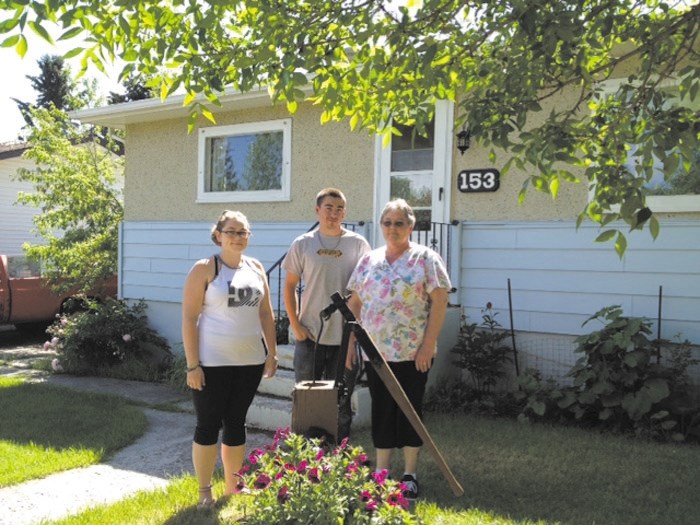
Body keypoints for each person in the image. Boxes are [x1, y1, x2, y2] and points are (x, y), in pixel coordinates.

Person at [345, 198, 451, 501]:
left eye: (399, 223)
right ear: (381, 226)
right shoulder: (369, 260)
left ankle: (409, 474)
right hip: (376, 354)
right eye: (388, 223)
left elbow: (440, 302)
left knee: (410, 411)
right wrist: (352, 342)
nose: (393, 228)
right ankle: (381, 473)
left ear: (411, 226)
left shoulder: (425, 259)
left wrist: (428, 344)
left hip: (412, 353)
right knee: (382, 409)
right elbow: (355, 303)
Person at [182, 210, 278, 507]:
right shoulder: (205, 268)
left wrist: (271, 353)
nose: (238, 237)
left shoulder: (256, 267)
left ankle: (234, 486)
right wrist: (192, 365)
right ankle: (204, 491)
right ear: (219, 235)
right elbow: (188, 317)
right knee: (208, 425)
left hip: (249, 361)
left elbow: (265, 313)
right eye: (232, 231)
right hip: (211, 364)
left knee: (236, 423)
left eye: (243, 232)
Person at [282, 187, 371, 384]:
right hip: (310, 336)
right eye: (328, 208)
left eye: (339, 209)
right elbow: (289, 287)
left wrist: (356, 334)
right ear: (317, 210)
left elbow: (365, 290)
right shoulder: (303, 244)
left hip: (345, 338)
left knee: (340, 404)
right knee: (306, 401)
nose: (334, 213)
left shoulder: (358, 244)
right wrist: (295, 325)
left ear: (345, 213)